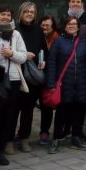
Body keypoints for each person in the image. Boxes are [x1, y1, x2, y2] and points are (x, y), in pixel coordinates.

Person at [46, 16, 86, 153]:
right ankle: (56, 138)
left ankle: (76, 136)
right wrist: (51, 83)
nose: (72, 26)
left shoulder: (84, 42)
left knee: (79, 111)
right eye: (69, 23)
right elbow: (51, 63)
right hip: (64, 84)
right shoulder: (59, 42)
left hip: (81, 83)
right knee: (62, 112)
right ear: (65, 26)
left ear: (78, 26)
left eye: (74, 24)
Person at [0, 6, 28, 165]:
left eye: (8, 14)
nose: (5, 17)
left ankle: (0, 150)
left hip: (12, 80)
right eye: (2, 14)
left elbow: (24, 56)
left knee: (7, 117)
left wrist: (11, 54)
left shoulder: (16, 33)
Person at [15, 1, 45, 152]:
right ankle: (8, 139)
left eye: (32, 12)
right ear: (21, 12)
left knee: (28, 111)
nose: (29, 14)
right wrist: (23, 55)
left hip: (32, 76)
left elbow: (43, 50)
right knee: (13, 111)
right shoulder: (14, 29)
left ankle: (24, 138)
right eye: (26, 11)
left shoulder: (38, 30)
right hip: (16, 74)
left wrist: (43, 60)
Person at [37, 14, 60, 145]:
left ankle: (44, 131)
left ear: (53, 27)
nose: (45, 28)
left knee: (47, 105)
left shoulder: (57, 39)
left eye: (48, 26)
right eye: (43, 25)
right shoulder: (37, 36)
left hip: (50, 76)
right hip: (35, 75)